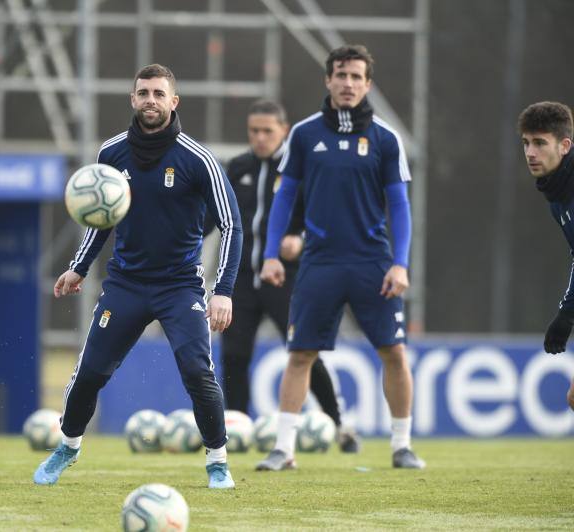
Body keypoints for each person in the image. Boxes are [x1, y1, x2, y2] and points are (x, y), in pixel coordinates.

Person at [34, 64, 242, 489]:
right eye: (143, 92)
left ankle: (218, 462)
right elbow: (99, 220)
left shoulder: (197, 159)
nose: (151, 100)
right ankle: (68, 447)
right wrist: (78, 267)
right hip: (125, 285)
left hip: (180, 286)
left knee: (197, 372)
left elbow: (232, 225)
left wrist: (222, 291)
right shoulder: (111, 154)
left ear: (173, 102)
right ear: (132, 99)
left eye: (159, 93)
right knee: (89, 373)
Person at [256, 45, 425, 471]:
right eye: (340, 75)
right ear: (327, 80)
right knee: (299, 355)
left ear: (367, 84)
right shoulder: (304, 135)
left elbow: (399, 206)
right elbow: (284, 198)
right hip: (319, 264)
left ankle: (402, 446)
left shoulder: (386, 138)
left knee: (394, 353)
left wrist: (400, 263)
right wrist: (272, 254)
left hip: (373, 264)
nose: (347, 83)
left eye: (356, 77)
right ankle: (283, 450)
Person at [220, 99, 359, 452]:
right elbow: (215, 217)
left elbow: (326, 220)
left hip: (289, 281)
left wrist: (301, 239)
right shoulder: (237, 168)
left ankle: (337, 424)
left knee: (305, 352)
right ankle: (235, 429)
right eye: (254, 131)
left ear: (284, 130)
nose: (261, 137)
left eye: (268, 131)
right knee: (234, 356)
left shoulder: (303, 170)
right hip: (241, 282)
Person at [517, 101, 574, 413]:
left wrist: (566, 314)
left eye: (540, 143)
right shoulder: (558, 196)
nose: (530, 153)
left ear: (564, 146)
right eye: (526, 143)